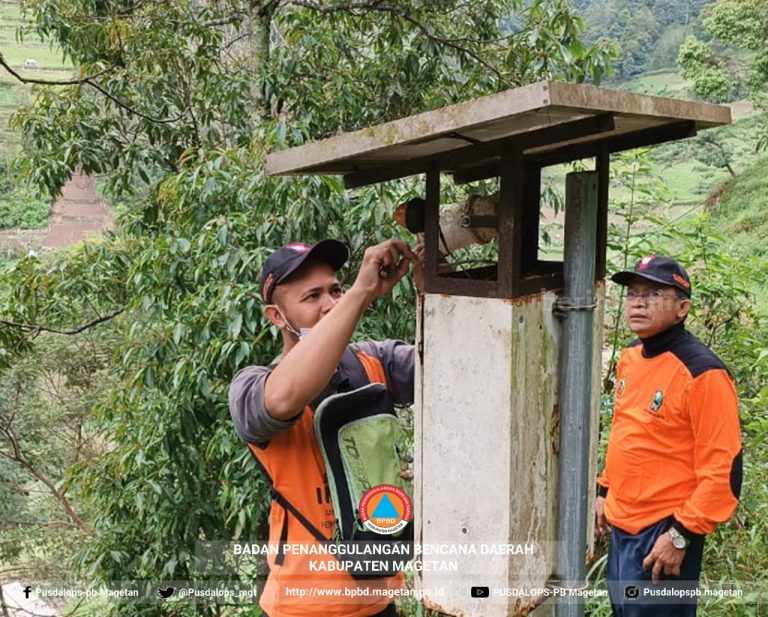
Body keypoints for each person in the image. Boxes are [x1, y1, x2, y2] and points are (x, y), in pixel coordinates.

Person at [228, 238, 422, 617]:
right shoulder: (252, 388)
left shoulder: (372, 361)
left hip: (378, 601)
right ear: (277, 317)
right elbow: (284, 399)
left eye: (336, 290)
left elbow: (455, 363)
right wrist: (361, 295)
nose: (331, 303)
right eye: (312, 296)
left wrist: (434, 292)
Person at [595, 255, 743, 616]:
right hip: (622, 525)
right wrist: (604, 490)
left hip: (663, 534)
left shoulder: (702, 373)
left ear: (682, 307)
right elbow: (629, 432)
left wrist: (681, 535)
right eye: (632, 293)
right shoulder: (631, 356)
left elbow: (725, 470)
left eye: (654, 293)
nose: (638, 302)